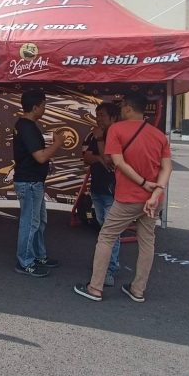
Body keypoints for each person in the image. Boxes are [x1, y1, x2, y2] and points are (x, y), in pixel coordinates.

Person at [74, 91, 172, 303]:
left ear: (128, 108)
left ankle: (95, 287)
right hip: (153, 199)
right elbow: (167, 167)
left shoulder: (116, 130)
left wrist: (143, 183)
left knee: (106, 236)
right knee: (147, 241)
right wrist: (156, 191)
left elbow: (117, 162)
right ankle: (138, 290)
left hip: (128, 197)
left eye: (122, 106)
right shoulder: (159, 135)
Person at [12, 90, 65, 277]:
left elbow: (36, 157)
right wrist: (57, 143)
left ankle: (38, 256)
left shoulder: (27, 126)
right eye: (43, 105)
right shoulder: (26, 127)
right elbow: (40, 157)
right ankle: (25, 262)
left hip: (34, 182)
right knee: (30, 223)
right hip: (29, 183)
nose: (45, 109)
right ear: (35, 107)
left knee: (39, 221)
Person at [81, 102, 121, 287]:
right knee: (102, 227)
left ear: (113, 117)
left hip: (113, 190)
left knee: (110, 231)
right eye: (97, 115)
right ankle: (108, 262)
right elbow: (86, 157)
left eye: (102, 115)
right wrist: (97, 157)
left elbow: (109, 161)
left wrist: (99, 141)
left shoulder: (117, 135)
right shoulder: (95, 134)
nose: (98, 119)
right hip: (97, 188)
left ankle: (109, 270)